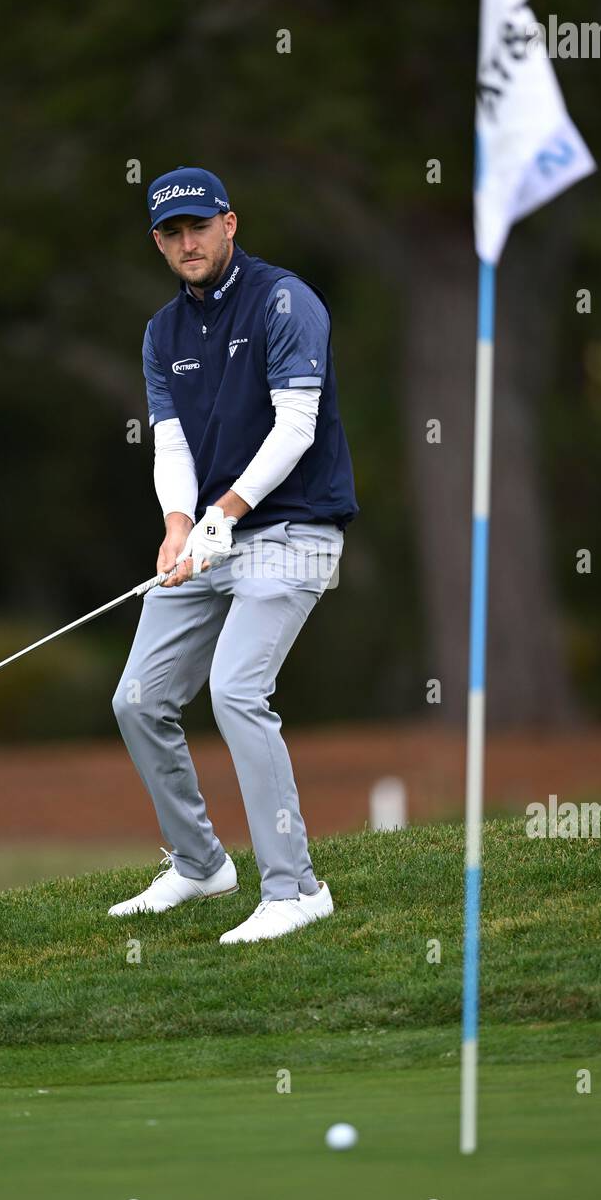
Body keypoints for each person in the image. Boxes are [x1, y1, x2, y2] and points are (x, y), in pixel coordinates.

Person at [109, 166, 359, 944]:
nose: (188, 242)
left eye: (199, 227)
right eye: (171, 233)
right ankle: (200, 865)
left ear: (230, 223)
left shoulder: (285, 300)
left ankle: (295, 888)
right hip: (213, 540)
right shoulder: (162, 333)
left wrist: (224, 514)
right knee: (138, 699)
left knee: (236, 692)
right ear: (159, 241)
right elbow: (173, 444)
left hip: (295, 533)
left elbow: (296, 426)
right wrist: (180, 523)